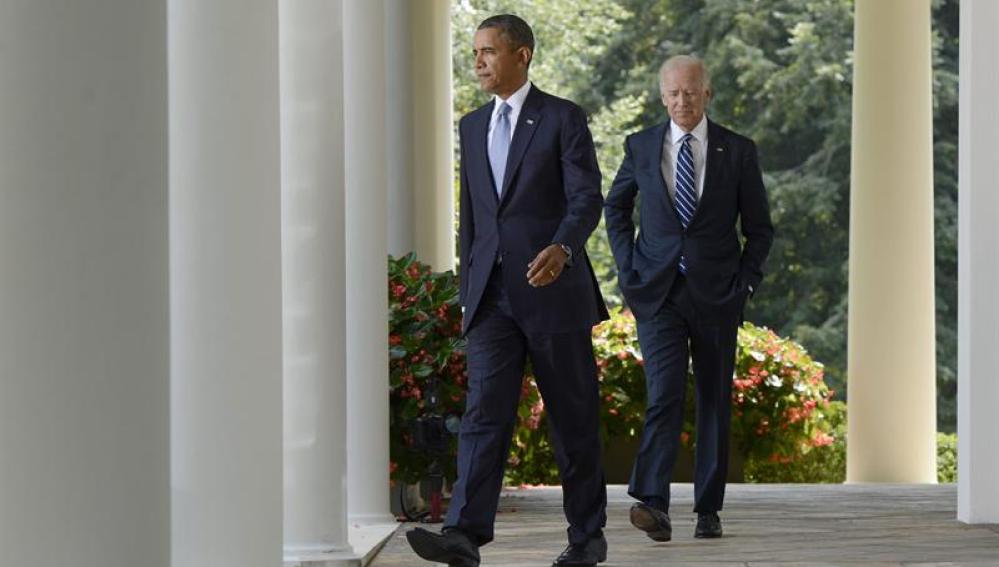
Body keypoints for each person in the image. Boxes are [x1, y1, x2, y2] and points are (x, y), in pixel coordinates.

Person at [406, 14, 610, 567]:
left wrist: (564, 248)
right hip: (492, 299)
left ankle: (587, 537)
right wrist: (470, 290)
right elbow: (473, 219)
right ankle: (464, 536)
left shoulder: (562, 118)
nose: (477, 61)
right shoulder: (471, 126)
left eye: (489, 51)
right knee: (482, 415)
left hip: (552, 291)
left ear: (522, 55)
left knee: (572, 418)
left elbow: (586, 198)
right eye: (475, 52)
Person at [604, 55, 773, 543]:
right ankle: (653, 502)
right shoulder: (639, 146)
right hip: (658, 293)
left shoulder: (737, 151)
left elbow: (759, 229)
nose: (682, 101)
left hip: (718, 294)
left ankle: (708, 509)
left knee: (714, 401)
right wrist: (628, 268)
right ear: (663, 96)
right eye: (674, 93)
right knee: (664, 394)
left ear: (707, 94)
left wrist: (745, 283)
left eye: (691, 92)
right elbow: (616, 207)